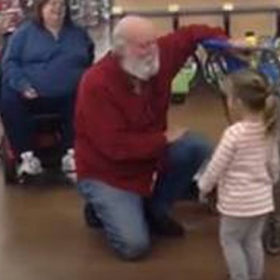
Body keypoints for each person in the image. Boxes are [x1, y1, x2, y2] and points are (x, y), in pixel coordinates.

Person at [75, 15, 227, 261]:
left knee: (196, 147)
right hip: (107, 173)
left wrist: (228, 43)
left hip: (148, 159)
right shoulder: (96, 84)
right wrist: (163, 139)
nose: (151, 50)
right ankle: (97, 207)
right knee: (134, 246)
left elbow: (191, 34)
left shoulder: (159, 57)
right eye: (143, 45)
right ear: (120, 49)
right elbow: (114, 147)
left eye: (153, 42)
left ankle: (156, 208)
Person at [197, 70, 279, 280]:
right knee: (253, 240)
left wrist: (204, 187)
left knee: (231, 241)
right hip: (262, 202)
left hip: (236, 204)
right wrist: (267, 184)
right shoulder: (268, 129)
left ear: (238, 103)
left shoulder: (233, 134)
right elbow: (274, 166)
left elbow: (216, 166)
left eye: (229, 97)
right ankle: (255, 279)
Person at [0, 0, 94, 177]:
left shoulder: (78, 33)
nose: (57, 8)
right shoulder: (24, 33)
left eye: (62, 5)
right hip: (32, 93)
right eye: (52, 4)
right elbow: (10, 62)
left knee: (86, 98)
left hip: (70, 92)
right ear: (41, 8)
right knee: (9, 97)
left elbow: (88, 58)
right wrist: (23, 85)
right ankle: (26, 156)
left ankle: (71, 153)